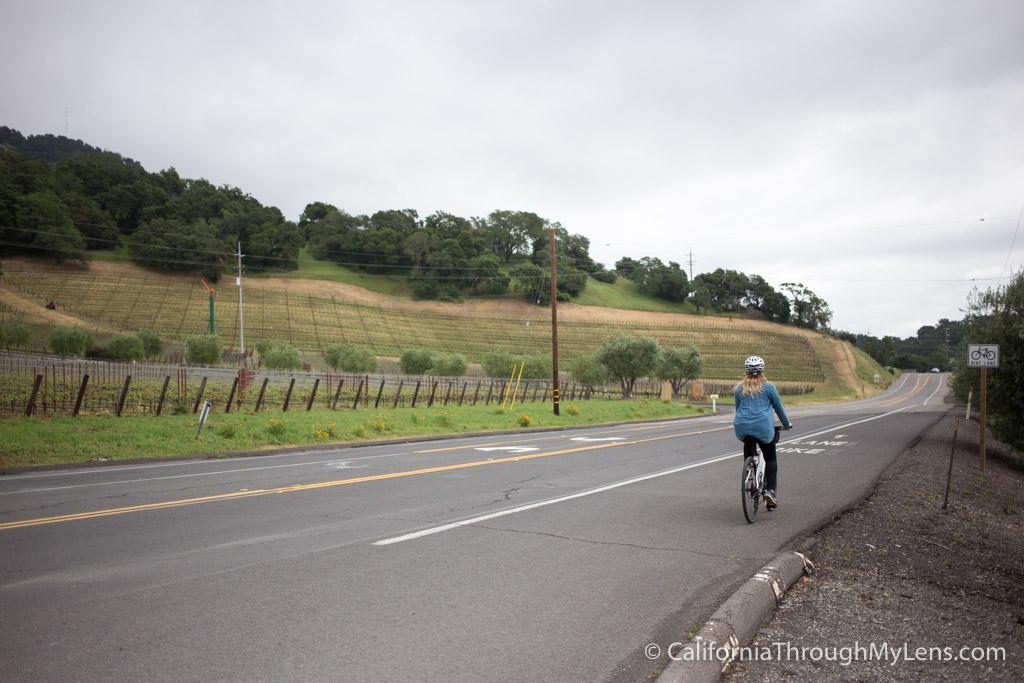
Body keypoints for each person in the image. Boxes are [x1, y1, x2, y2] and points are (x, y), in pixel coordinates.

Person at [733, 355, 792, 510]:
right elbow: (779, 409)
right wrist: (786, 424)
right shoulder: (769, 388)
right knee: (771, 459)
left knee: (749, 446)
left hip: (742, 427)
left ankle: (748, 471)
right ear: (762, 370)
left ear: (746, 371)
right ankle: (770, 492)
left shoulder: (740, 389)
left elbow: (738, 409)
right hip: (763, 428)